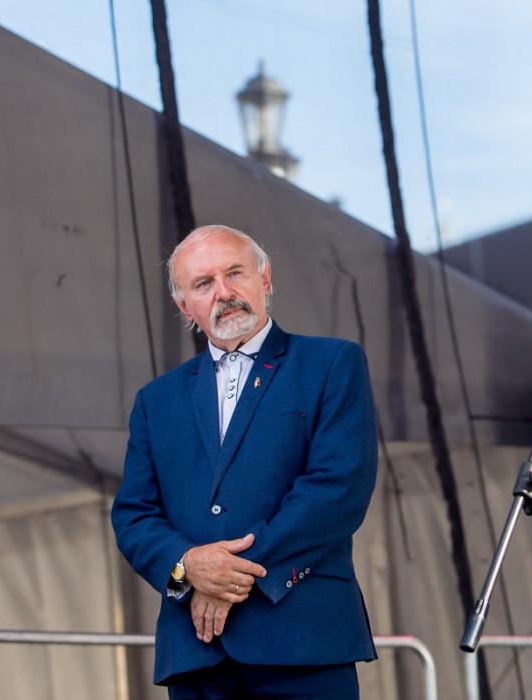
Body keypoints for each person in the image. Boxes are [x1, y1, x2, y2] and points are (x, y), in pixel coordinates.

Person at [111, 224, 378, 698]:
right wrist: (188, 564)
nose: (224, 292)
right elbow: (134, 515)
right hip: (196, 651)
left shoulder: (332, 362)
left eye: (234, 273)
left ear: (265, 278)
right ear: (184, 306)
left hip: (303, 640)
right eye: (203, 283)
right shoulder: (156, 400)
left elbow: (339, 487)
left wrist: (227, 577)